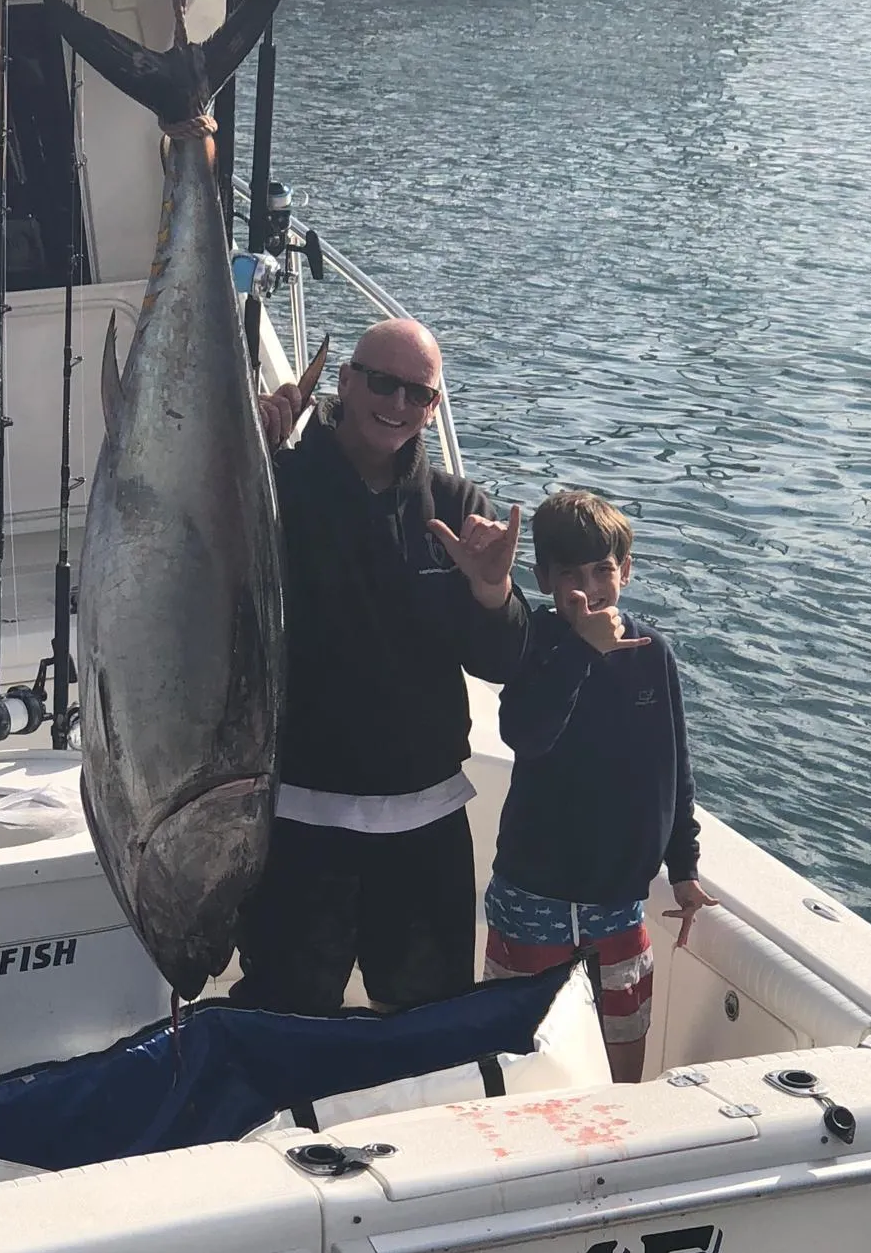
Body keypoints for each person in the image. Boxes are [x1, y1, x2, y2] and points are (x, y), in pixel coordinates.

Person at [230, 318, 529, 1017]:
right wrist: (240, 452)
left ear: (434, 407)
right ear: (345, 381)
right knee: (282, 1019)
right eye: (382, 382)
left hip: (425, 828)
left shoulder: (458, 509)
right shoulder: (270, 487)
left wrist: (492, 590)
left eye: (418, 393)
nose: (397, 404)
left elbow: (504, 658)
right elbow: (192, 546)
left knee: (430, 1026)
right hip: (296, 818)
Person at [480, 490, 717, 1083]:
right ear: (543, 580)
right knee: (520, 1065)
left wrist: (683, 867)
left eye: (603, 571)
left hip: (619, 906)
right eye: (571, 575)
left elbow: (673, 765)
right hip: (533, 901)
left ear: (626, 571)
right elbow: (526, 734)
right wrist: (582, 651)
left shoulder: (652, 655)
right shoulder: (535, 641)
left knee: (620, 1071)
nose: (589, 589)